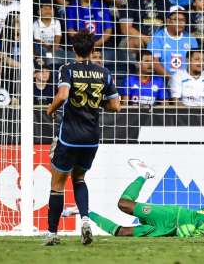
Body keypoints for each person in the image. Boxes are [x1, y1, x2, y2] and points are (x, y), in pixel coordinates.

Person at [43, 31, 122, 246]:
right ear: (93, 50)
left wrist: (50, 110)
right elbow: (116, 106)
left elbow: (63, 95)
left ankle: (51, 234)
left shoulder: (66, 69)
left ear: (73, 49)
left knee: (57, 184)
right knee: (80, 179)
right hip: (92, 137)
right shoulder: (104, 72)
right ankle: (85, 220)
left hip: (69, 135)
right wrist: (97, 104)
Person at [81, 164, 204, 238]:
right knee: (124, 204)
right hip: (173, 216)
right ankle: (143, 174)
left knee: (122, 233)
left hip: (172, 230)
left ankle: (85, 213)